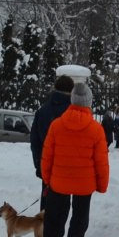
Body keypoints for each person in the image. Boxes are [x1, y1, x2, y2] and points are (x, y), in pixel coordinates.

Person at [39, 80, 109, 237]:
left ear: (72, 100)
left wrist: (47, 179)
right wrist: (102, 184)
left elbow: (47, 156)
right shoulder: (96, 129)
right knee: (80, 219)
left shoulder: (56, 125)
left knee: (54, 216)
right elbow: (101, 161)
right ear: (88, 102)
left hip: (58, 181)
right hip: (84, 183)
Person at [29, 75, 75, 213]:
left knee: (47, 208)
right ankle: (56, 233)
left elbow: (35, 141)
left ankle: (45, 232)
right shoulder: (72, 112)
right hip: (66, 167)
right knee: (62, 208)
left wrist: (39, 165)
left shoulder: (42, 111)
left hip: (47, 165)